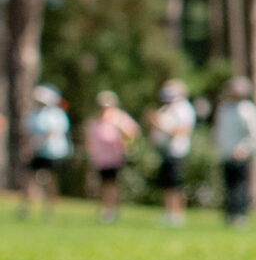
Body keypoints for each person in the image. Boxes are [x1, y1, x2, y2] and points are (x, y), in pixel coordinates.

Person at [212, 77, 256, 228]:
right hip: (225, 152)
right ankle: (229, 215)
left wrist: (244, 148)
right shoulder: (224, 108)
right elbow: (219, 130)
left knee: (239, 187)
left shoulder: (247, 109)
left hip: (240, 155)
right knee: (228, 186)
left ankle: (240, 215)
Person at [84, 92, 140, 222]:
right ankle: (104, 209)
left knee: (111, 184)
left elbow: (132, 133)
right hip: (100, 158)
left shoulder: (119, 118)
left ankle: (111, 210)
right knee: (102, 185)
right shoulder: (95, 121)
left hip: (115, 157)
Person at [145, 81, 196, 225]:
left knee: (175, 183)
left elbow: (181, 131)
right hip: (165, 152)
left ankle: (177, 213)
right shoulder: (166, 109)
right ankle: (169, 212)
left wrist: (159, 124)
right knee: (167, 184)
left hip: (176, 151)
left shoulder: (184, 109)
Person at [17, 84, 71, 218]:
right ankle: (26, 209)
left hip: (51, 153)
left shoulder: (56, 114)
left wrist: (39, 142)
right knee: (29, 179)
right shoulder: (33, 114)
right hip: (36, 152)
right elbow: (27, 133)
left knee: (50, 180)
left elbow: (53, 132)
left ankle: (49, 210)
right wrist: (29, 147)